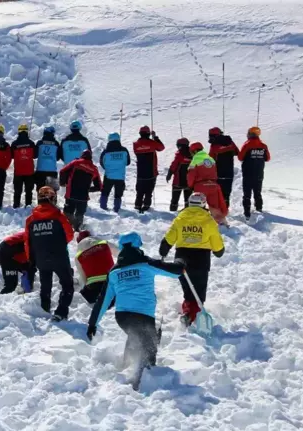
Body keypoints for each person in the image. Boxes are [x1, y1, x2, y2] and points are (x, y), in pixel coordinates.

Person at [88, 232, 185, 389]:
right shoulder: (145, 264)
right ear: (137, 246)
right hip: (143, 316)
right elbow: (175, 271)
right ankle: (142, 383)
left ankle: (126, 365)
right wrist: (181, 263)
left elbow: (103, 300)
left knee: (135, 335)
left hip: (123, 318)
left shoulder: (114, 272)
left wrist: (92, 323)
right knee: (149, 347)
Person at [159, 192, 225, 326]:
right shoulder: (208, 221)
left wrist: (164, 249)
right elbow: (217, 248)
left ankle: (188, 310)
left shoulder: (180, 219)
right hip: (201, 259)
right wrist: (219, 250)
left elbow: (170, 237)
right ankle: (191, 314)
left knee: (187, 288)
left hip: (182, 258)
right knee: (199, 289)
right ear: (203, 204)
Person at [25, 186, 75, 321]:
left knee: (45, 286)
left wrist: (31, 260)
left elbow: (27, 242)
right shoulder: (59, 216)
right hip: (59, 256)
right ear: (52, 198)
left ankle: (45, 309)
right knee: (67, 285)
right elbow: (69, 234)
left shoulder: (30, 219)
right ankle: (61, 312)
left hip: (41, 258)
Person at [59, 149, 102, 231]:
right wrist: (88, 189)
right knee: (79, 215)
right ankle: (78, 231)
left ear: (82, 155)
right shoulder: (94, 169)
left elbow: (62, 171)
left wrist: (63, 183)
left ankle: (66, 231)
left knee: (68, 214)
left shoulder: (76, 163)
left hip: (71, 194)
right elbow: (99, 187)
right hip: (83, 198)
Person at [75, 229, 118, 307]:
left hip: (94, 291)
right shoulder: (103, 243)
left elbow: (83, 278)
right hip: (113, 286)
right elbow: (120, 253)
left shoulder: (78, 256)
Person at [187, 142, 228, 223]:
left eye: (191, 152)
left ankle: (198, 223)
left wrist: (190, 185)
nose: (191, 154)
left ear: (194, 151)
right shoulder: (210, 159)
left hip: (200, 186)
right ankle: (220, 223)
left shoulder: (195, 159)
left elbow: (191, 175)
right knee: (215, 207)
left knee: (198, 206)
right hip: (213, 185)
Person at [238, 127, 270, 220]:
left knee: (247, 194)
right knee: (258, 192)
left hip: (248, 173)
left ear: (249, 134)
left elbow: (240, 157)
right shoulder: (263, 146)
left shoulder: (247, 145)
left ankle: (247, 213)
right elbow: (267, 158)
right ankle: (259, 209)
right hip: (259, 173)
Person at [133, 126, 165, 213]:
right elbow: (161, 148)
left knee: (139, 192)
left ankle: (137, 207)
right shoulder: (152, 143)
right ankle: (146, 208)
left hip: (140, 172)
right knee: (148, 192)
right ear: (148, 134)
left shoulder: (135, 144)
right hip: (151, 172)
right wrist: (155, 137)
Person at [208, 127, 239, 208]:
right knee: (226, 194)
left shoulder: (214, 145)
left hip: (218, 173)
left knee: (217, 193)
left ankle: (218, 212)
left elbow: (210, 160)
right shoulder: (230, 142)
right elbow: (237, 152)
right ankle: (225, 211)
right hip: (229, 173)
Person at [99, 132, 130, 213]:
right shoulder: (124, 150)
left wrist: (108, 168)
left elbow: (101, 162)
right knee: (118, 194)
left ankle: (103, 208)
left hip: (108, 175)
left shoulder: (106, 152)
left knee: (105, 192)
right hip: (120, 176)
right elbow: (128, 162)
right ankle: (116, 209)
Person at [11, 124, 37, 208]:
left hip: (18, 170)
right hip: (29, 171)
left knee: (17, 190)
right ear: (26, 132)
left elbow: (11, 156)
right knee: (29, 190)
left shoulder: (14, 144)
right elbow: (35, 155)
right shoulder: (31, 143)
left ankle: (16, 204)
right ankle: (28, 204)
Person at [166, 138, 192, 211]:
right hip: (189, 181)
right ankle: (188, 212)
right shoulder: (193, 154)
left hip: (178, 181)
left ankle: (173, 212)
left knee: (175, 200)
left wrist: (169, 174)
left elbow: (174, 165)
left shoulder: (179, 154)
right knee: (188, 200)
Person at [34, 126, 62, 191]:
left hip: (40, 171)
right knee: (53, 192)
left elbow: (35, 155)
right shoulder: (56, 143)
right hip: (52, 171)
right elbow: (58, 158)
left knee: (40, 191)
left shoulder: (39, 143)